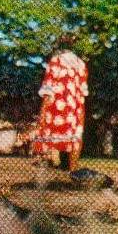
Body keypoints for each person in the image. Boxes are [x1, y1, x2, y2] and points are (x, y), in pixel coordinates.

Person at [32, 35, 89, 172]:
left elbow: (48, 90)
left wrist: (42, 113)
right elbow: (83, 93)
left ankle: (43, 174)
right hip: (75, 111)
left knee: (46, 138)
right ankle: (74, 173)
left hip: (56, 109)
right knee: (74, 140)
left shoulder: (55, 62)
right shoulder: (81, 65)